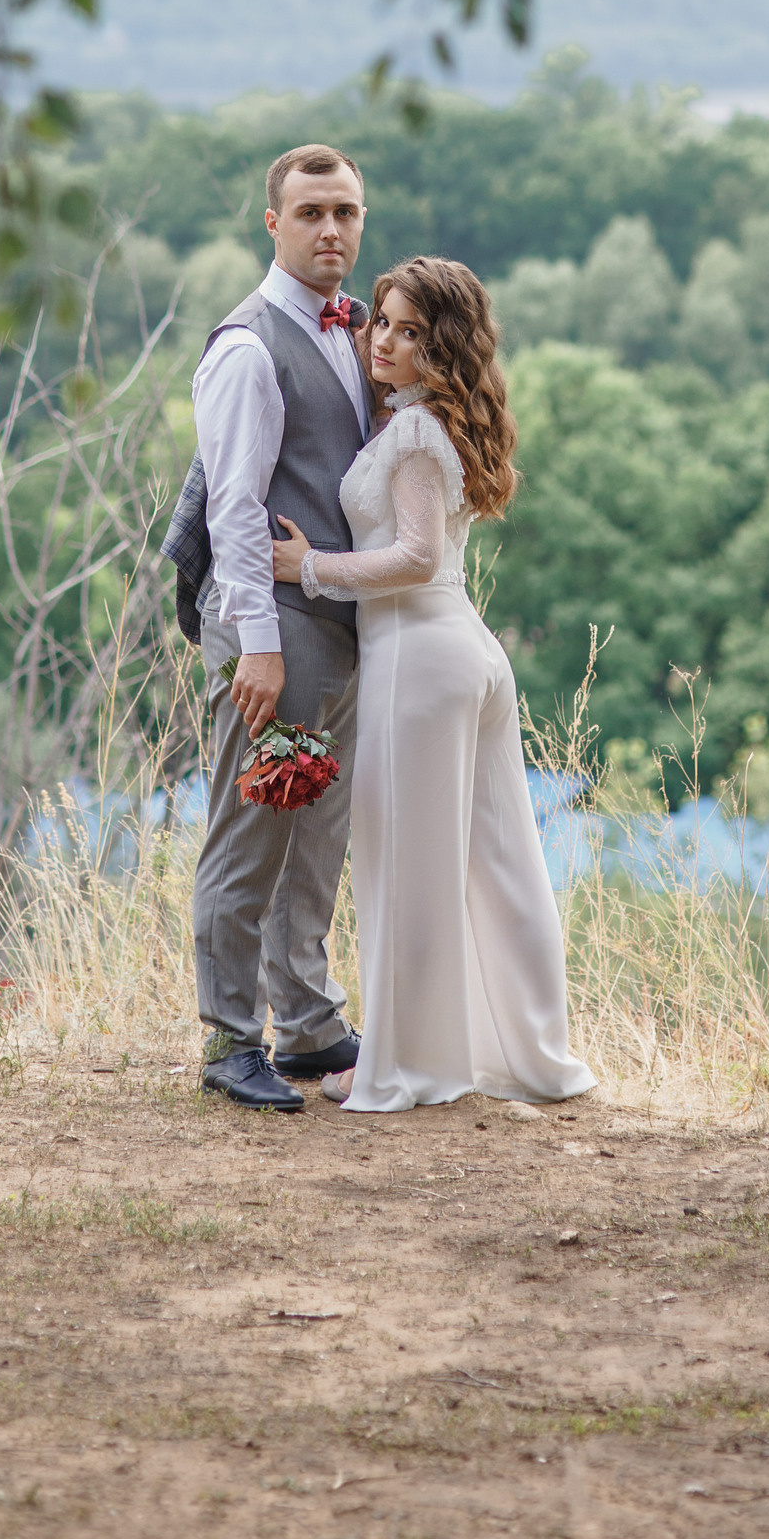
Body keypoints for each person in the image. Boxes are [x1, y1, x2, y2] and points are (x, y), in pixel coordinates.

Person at [272, 256, 594, 1114]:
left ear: (442, 344)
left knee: (407, 870)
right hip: (467, 654)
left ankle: (409, 1066)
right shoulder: (429, 422)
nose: (384, 341)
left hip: (417, 660)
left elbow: (414, 557)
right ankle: (536, 1055)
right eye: (380, 320)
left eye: (409, 330)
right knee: (501, 862)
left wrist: (312, 568)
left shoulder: (415, 435)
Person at [161, 145, 372, 1112]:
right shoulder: (246, 348)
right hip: (269, 630)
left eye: (346, 213)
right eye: (311, 213)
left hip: (335, 622)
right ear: (273, 224)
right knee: (250, 834)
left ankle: (309, 1025)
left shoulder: (353, 330)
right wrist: (256, 641)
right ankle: (229, 1038)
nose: (331, 230)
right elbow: (235, 509)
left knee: (316, 833)